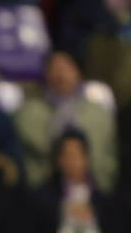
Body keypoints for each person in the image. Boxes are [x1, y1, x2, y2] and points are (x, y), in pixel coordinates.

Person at [27, 130, 120, 233]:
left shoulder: (102, 200)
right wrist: (61, 213)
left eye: (77, 155)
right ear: (58, 159)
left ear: (86, 158)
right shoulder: (41, 197)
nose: (72, 161)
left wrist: (93, 217)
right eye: (67, 155)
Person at [14, 51, 117, 190]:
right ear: (45, 74)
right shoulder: (28, 113)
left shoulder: (98, 113)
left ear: (78, 71)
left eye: (66, 67)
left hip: (94, 190)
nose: (61, 74)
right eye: (54, 68)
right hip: (43, 192)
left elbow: (106, 160)